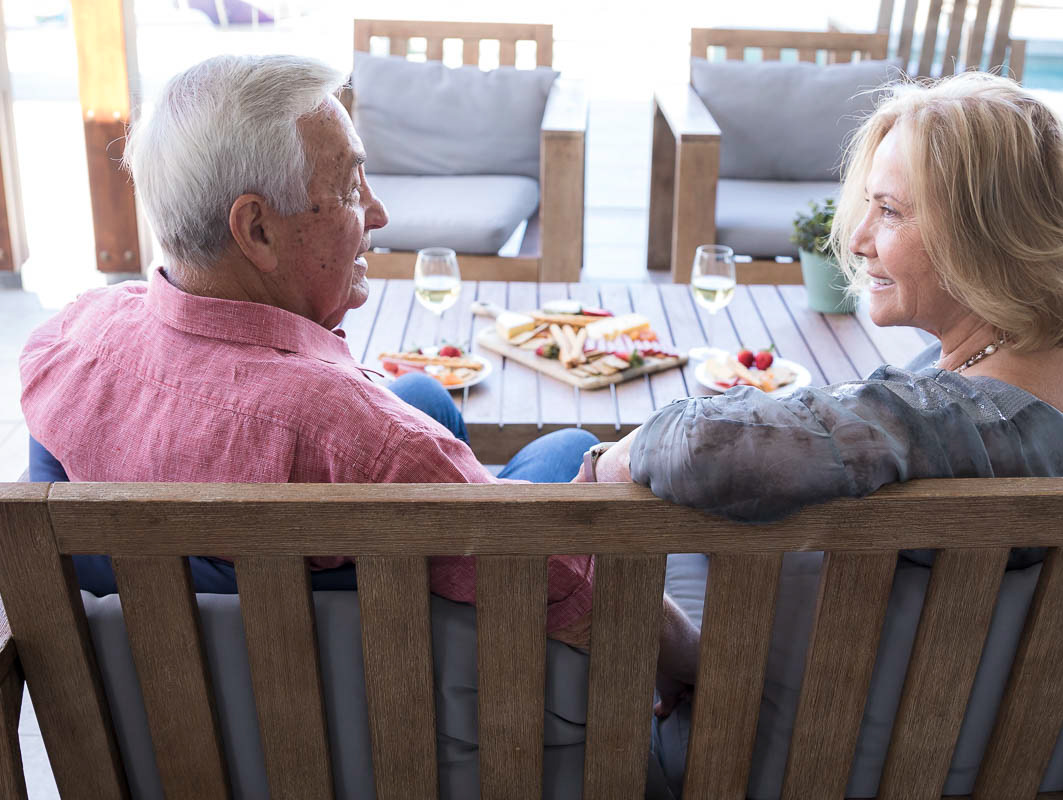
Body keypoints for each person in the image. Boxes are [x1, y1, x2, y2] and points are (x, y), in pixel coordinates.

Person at [19, 55, 700, 673]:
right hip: (383, 707)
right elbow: (585, 597)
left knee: (421, 393)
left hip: (178, 702)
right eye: (349, 187)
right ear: (256, 229)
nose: (378, 211)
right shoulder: (368, 446)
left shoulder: (68, 343)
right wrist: (695, 664)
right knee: (572, 447)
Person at [571, 72, 1063, 795]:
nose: (859, 237)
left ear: (985, 235)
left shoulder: (951, 422)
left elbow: (705, 448)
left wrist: (615, 457)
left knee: (570, 457)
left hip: (757, 756)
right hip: (956, 732)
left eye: (890, 211)